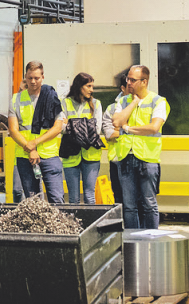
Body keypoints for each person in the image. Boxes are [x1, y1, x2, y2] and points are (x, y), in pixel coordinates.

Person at [114, 65, 168, 229]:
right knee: (129, 206)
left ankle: (151, 241)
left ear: (144, 81)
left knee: (149, 204)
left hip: (147, 159)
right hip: (125, 158)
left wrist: (129, 128)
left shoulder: (158, 101)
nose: (128, 82)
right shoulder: (123, 101)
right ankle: (133, 242)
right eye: (127, 79)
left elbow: (154, 127)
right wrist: (134, 103)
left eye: (132, 80)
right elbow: (116, 122)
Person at [8, 61, 66, 203]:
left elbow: (58, 127)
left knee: (57, 199)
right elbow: (13, 130)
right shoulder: (16, 99)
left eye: (36, 78)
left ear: (43, 77)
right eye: (30, 78)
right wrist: (30, 149)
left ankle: (58, 225)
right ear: (25, 78)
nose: (33, 81)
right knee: (32, 201)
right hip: (25, 155)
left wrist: (34, 143)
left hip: (49, 155)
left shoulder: (51, 97)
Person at [59, 73, 104, 205]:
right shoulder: (65, 103)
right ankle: (75, 226)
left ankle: (90, 225)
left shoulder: (96, 104)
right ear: (79, 86)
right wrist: (86, 125)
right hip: (70, 155)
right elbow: (61, 127)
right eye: (88, 86)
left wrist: (71, 124)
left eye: (92, 86)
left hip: (91, 156)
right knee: (73, 199)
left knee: (90, 197)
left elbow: (96, 129)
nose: (92, 90)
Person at [101, 73, 129, 205]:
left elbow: (147, 130)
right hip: (117, 160)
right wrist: (130, 129)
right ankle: (122, 226)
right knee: (119, 198)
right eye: (130, 84)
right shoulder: (111, 108)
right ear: (123, 88)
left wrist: (120, 129)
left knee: (140, 200)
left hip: (139, 157)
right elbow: (109, 134)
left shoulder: (144, 104)